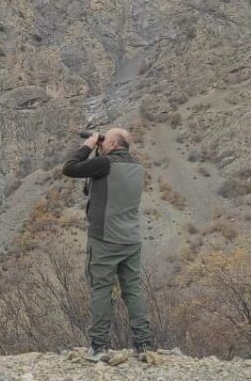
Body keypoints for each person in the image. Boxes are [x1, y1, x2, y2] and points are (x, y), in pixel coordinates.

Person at [62, 128, 153, 362]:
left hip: (105, 239)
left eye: (104, 141)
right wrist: (98, 153)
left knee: (101, 289)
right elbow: (89, 187)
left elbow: (70, 167)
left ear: (111, 143)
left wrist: (89, 145)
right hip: (131, 240)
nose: (101, 144)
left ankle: (98, 345)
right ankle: (144, 344)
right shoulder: (136, 167)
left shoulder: (105, 164)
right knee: (132, 290)